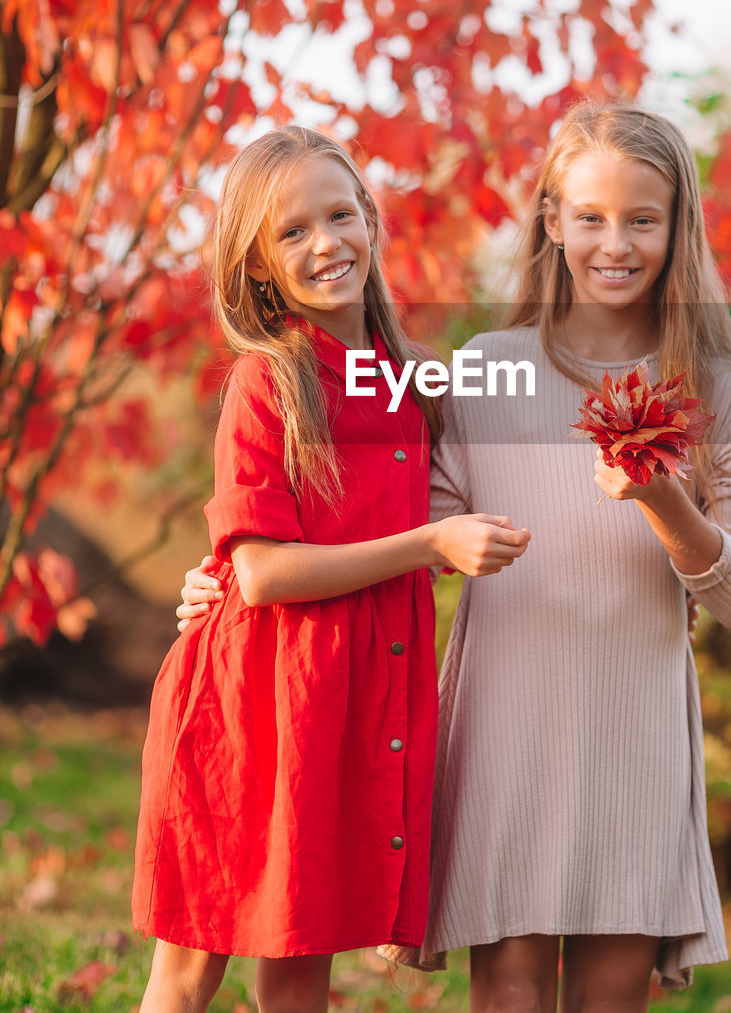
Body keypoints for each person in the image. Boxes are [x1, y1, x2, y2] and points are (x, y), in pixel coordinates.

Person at [179, 103, 731, 1012]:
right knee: (505, 994)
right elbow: (379, 519)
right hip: (504, 725)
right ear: (551, 221)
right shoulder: (481, 372)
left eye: (640, 219)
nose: (612, 243)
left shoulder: (718, 386)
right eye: (587, 217)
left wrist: (660, 497)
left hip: (634, 729)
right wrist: (231, 576)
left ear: (677, 226)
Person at [132, 126, 530, 1013]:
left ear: (371, 222)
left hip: (350, 703)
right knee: (192, 962)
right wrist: (430, 547)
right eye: (293, 232)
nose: (326, 244)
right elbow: (266, 573)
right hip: (254, 700)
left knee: (303, 955)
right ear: (260, 267)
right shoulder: (269, 380)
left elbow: (515, 419)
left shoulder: (408, 379)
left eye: (339, 215)